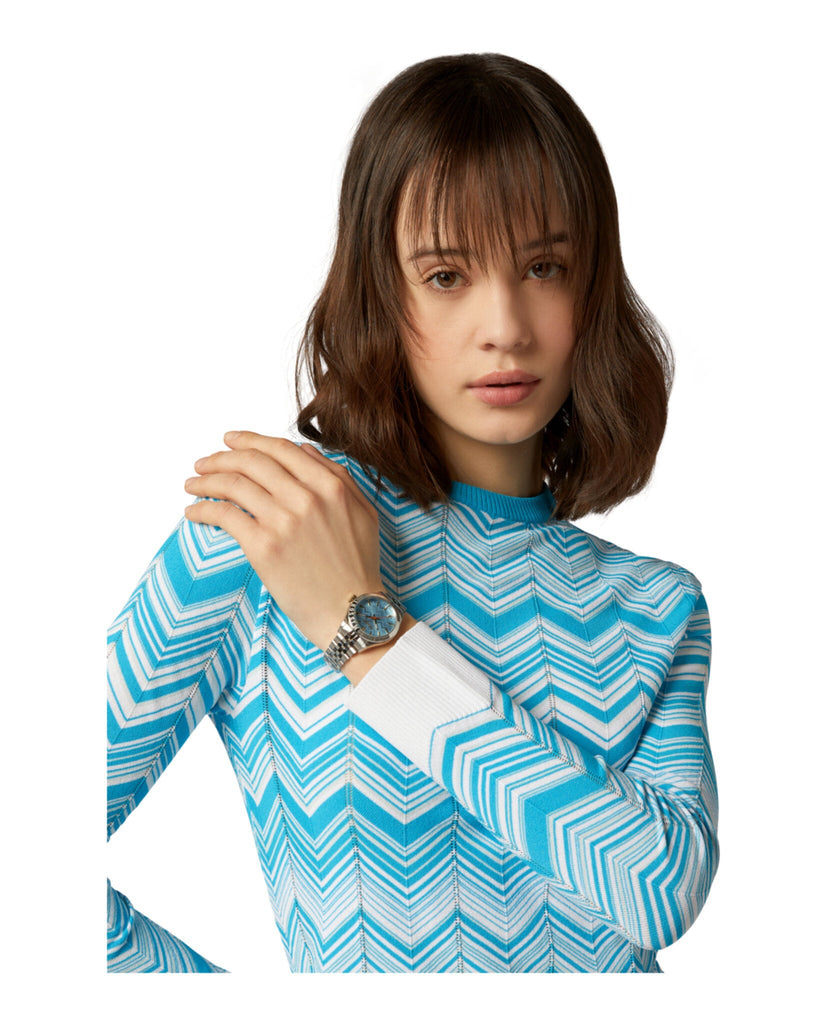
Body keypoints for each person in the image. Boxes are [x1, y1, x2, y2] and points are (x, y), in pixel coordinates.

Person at [107, 52, 719, 973]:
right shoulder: (276, 527)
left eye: (543, 267)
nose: (504, 325)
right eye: (445, 275)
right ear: (380, 290)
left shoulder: (654, 605)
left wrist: (370, 638)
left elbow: (659, 891)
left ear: (590, 288)